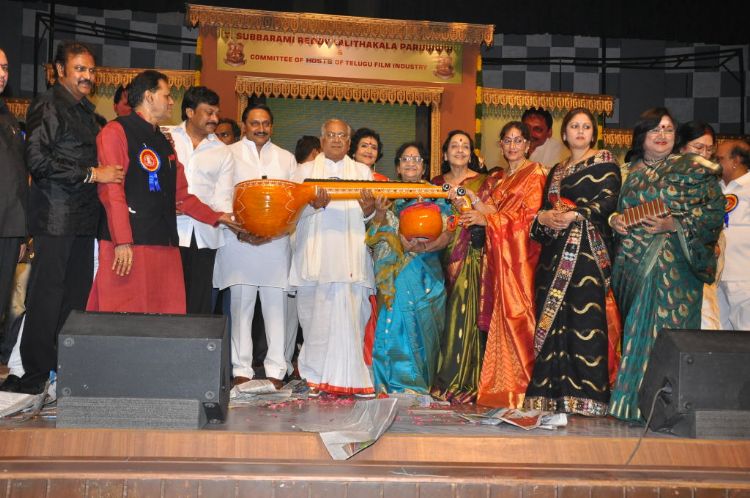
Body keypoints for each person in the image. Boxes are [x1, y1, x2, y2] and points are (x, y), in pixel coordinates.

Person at [3, 42, 125, 394]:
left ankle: (61, 371)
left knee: (75, 299)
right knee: (47, 298)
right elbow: (38, 161)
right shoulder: (48, 105)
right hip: (55, 218)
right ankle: (35, 375)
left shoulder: (87, 112)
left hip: (84, 221)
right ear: (59, 71)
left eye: (91, 70)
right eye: (79, 69)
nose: (87, 76)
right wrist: (92, 174)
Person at [87, 70, 239, 314]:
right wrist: (122, 241)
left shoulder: (164, 141)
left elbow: (182, 195)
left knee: (163, 321)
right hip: (130, 244)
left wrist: (218, 217)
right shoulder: (116, 131)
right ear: (149, 96)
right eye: (167, 96)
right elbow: (111, 191)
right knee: (123, 317)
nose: (171, 102)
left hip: (165, 244)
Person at [608, 108, 724, 422]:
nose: (662, 135)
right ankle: (630, 405)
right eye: (655, 129)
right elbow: (615, 212)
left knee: (670, 335)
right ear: (642, 135)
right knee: (636, 331)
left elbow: (713, 214)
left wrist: (675, 224)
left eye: (668, 129)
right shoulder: (628, 173)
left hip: (676, 270)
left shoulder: (690, 168)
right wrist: (615, 220)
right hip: (634, 269)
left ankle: (667, 410)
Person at [523, 108, 622, 416]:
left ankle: (588, 397)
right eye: (574, 126)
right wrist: (545, 218)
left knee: (585, 321)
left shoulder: (606, 162)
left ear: (593, 134)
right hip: (553, 258)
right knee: (554, 323)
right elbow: (542, 210)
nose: (580, 131)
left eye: (586, 127)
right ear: (564, 134)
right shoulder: (556, 171)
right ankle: (550, 395)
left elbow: (609, 201)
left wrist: (576, 215)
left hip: (587, 256)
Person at [289, 118, 377, 397]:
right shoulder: (303, 172)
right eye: (331, 135)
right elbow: (289, 215)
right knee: (314, 322)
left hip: (351, 260)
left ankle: (351, 379)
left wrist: (369, 211)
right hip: (315, 259)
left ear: (349, 143)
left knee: (352, 321)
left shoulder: (362, 172)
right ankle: (314, 378)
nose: (336, 140)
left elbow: (371, 218)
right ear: (322, 140)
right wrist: (312, 207)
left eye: (342, 136)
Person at [213, 103, 297, 389]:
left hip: (275, 244)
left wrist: (272, 232)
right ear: (244, 125)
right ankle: (242, 369)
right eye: (254, 123)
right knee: (241, 307)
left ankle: (276, 370)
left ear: (272, 126)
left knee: (276, 309)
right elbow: (221, 197)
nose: (261, 129)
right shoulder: (228, 154)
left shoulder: (285, 158)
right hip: (240, 242)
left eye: (266, 123)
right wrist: (241, 231)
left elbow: (292, 202)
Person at [366, 142, 450, 394]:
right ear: (398, 167)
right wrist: (381, 216)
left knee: (424, 328)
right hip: (396, 275)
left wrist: (426, 246)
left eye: (416, 159)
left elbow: (449, 232)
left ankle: (420, 384)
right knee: (396, 323)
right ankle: (393, 384)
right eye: (405, 159)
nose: (410, 163)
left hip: (428, 273)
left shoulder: (436, 194)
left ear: (424, 167)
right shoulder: (387, 195)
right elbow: (373, 237)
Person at [476, 122, 546, 408]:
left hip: (522, 258)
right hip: (500, 256)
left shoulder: (536, 174)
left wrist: (488, 220)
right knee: (500, 315)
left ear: (528, 145)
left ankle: (524, 385)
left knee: (520, 314)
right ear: (501, 145)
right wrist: (473, 205)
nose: (513, 146)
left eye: (519, 140)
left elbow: (530, 219)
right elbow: (493, 211)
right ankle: (501, 383)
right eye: (508, 140)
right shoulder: (500, 179)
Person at [430, 130, 497, 403]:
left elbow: (494, 215)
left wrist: (474, 206)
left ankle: (462, 381)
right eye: (454, 146)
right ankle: (436, 376)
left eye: (465, 146)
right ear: (445, 154)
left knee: (463, 315)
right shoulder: (435, 184)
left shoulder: (484, 181)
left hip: (470, 255)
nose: (460, 150)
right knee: (440, 318)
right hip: (436, 257)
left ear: (471, 154)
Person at [163, 86, 234, 314]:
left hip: (204, 236)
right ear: (190, 112)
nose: (215, 119)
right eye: (208, 112)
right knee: (166, 299)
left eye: (216, 113)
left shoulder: (223, 151)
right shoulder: (165, 137)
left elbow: (222, 199)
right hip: (167, 231)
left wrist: (232, 222)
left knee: (198, 305)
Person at [676, 121, 722, 329]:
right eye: (698, 147)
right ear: (681, 148)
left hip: (702, 261)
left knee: (705, 325)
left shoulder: (711, 182)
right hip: (671, 263)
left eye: (709, 149)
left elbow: (713, 221)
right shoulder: (666, 178)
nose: (704, 154)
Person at [0, 48, 27, 361]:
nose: (2, 74)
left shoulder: (8, 118)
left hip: (9, 227)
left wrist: (21, 233)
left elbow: (19, 178)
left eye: (5, 67)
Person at [714, 140, 750, 330]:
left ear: (736, 161)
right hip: (717, 275)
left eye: (720, 159)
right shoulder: (714, 187)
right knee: (721, 334)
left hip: (744, 275)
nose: (715, 163)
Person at [522, 107, 568, 172]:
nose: (530, 134)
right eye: (526, 128)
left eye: (537, 129)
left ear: (549, 132)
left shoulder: (561, 154)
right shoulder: (514, 146)